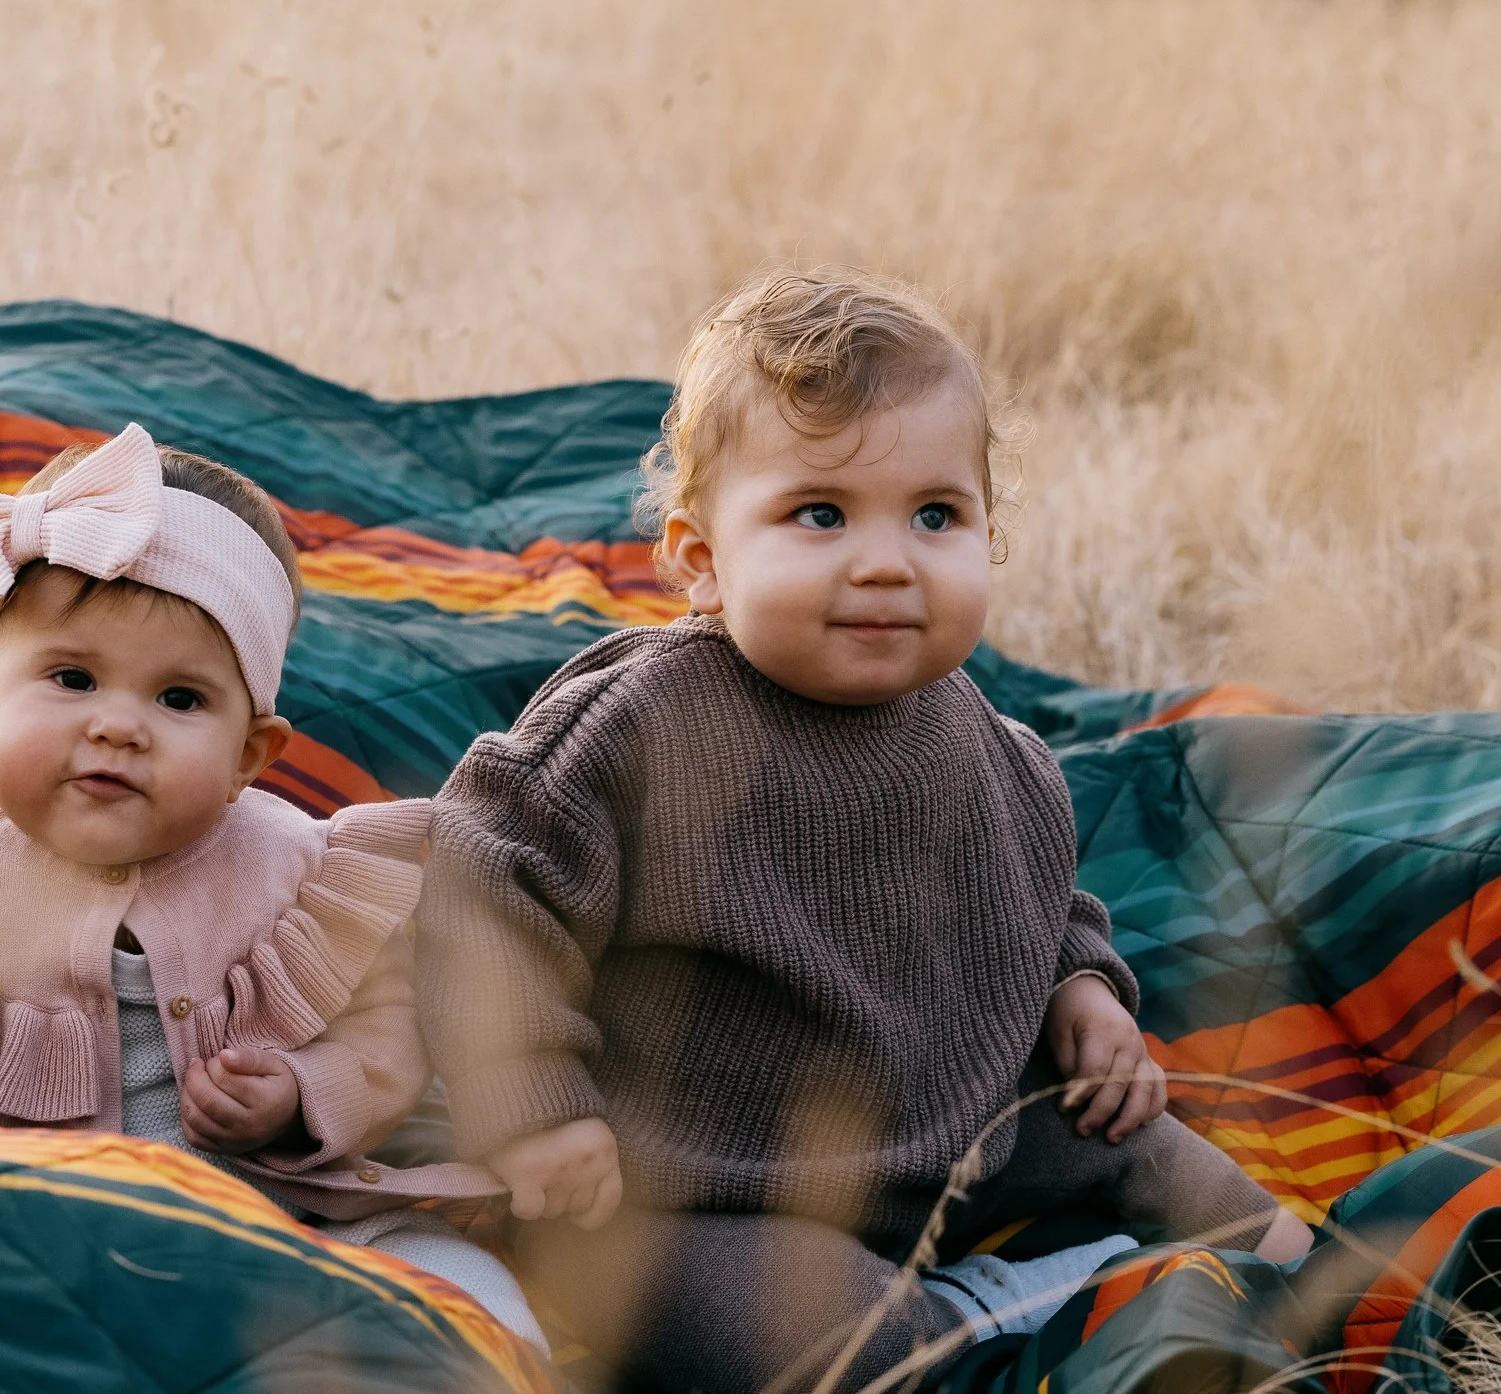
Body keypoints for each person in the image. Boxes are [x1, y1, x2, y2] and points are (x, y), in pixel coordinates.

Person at [414, 266, 1312, 1394]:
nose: (885, 559)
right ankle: (990, 1315)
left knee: (1150, 1147)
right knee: (827, 1336)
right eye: (820, 514)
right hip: (690, 1185)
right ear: (700, 558)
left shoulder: (985, 738)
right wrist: (536, 1107)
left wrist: (1082, 988)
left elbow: (1029, 881)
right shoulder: (639, 725)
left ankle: (1318, 1297)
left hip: (951, 1130)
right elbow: (486, 885)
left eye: (935, 514)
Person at [0, 423, 545, 1354]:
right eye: (72, 677)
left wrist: (297, 1089)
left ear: (250, 754)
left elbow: (387, 1022)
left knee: (449, 1270)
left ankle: (502, 1366)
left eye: (180, 699)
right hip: (17, 1227)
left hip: (282, 1218)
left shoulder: (301, 867)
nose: (119, 725)